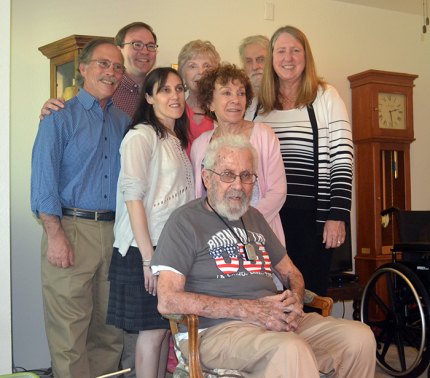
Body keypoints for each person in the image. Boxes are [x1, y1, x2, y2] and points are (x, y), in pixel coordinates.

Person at [152, 135, 375, 377]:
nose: (238, 185)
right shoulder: (184, 221)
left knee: (359, 338)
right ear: (207, 177)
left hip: (274, 321)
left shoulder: (255, 218)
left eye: (247, 176)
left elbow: (292, 274)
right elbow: (168, 300)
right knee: (290, 349)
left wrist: (295, 302)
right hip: (218, 331)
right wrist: (248, 310)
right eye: (228, 174)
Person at [31, 39, 129, 378]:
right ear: (83, 69)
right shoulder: (59, 118)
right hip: (71, 230)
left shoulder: (124, 123)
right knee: (69, 333)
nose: (111, 72)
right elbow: (43, 184)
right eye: (104, 64)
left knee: (109, 330)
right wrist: (55, 234)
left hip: (116, 233)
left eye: (118, 67)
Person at [246, 25, 353, 296]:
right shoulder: (257, 105)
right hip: (267, 219)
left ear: (306, 57)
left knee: (309, 297)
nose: (288, 58)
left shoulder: (326, 96)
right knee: (270, 298)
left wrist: (337, 215)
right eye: (281, 51)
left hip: (311, 220)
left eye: (295, 50)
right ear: (272, 58)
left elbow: (342, 157)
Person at [106, 67, 194, 378]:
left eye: (179, 89)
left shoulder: (174, 139)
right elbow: (133, 198)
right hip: (144, 250)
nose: (175, 96)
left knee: (163, 332)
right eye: (165, 90)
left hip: (169, 250)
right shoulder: (141, 135)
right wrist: (147, 258)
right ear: (149, 97)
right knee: (152, 333)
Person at [191, 63, 286, 247]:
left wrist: (245, 225)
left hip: (260, 232)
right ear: (210, 102)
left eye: (241, 93)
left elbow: (278, 191)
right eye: (226, 93)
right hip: (215, 237)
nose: (236, 99)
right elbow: (199, 197)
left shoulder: (264, 135)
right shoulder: (200, 145)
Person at [39, 21, 158, 118]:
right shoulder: (104, 88)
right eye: (137, 44)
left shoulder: (162, 90)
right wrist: (51, 114)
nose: (145, 51)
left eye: (151, 46)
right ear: (118, 49)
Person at [177, 39, 220, 155]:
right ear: (182, 74)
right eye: (192, 66)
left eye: (207, 66)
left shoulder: (224, 111)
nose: (201, 72)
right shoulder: (174, 112)